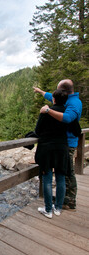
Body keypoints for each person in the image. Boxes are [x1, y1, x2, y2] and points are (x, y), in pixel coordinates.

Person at [34, 79, 82, 210]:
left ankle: (69, 202)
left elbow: (67, 118)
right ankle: (59, 206)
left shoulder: (73, 104)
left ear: (63, 92)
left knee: (67, 174)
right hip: (62, 145)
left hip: (66, 144)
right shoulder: (65, 99)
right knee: (62, 176)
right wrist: (40, 91)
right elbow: (52, 96)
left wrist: (47, 111)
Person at [34, 89, 70, 218]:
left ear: (53, 99)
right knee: (61, 179)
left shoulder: (46, 111)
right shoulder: (68, 113)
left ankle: (48, 210)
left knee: (47, 179)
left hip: (47, 149)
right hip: (62, 149)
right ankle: (58, 208)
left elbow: (37, 130)